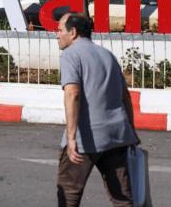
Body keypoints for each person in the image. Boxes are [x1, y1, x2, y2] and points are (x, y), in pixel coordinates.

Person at [55, 12, 139, 207]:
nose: (56, 34)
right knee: (122, 199)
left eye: (59, 30)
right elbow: (125, 96)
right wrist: (131, 131)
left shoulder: (70, 55)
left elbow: (73, 94)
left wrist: (71, 138)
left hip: (86, 139)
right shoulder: (106, 54)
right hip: (117, 137)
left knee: (69, 194)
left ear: (73, 32)